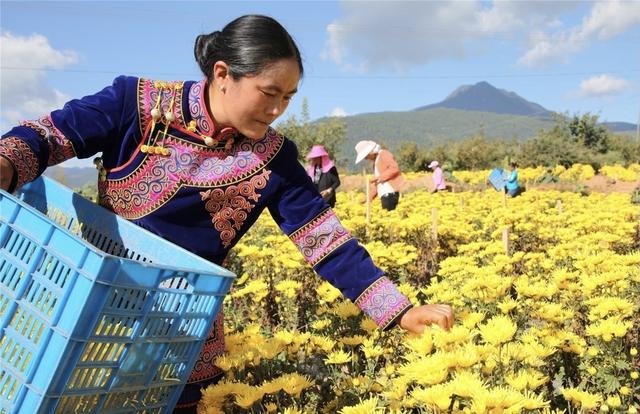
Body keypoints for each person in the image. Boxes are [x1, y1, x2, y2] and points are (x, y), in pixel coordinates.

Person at [0, 15, 454, 413]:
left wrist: (399, 313)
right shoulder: (136, 104)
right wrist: (7, 162)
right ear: (223, 74)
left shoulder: (274, 157)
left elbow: (327, 241)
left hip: (187, 326)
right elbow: (52, 134)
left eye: (289, 98)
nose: (277, 110)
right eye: (269, 93)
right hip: (99, 307)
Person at [354, 140, 405, 211]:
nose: (366, 159)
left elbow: (394, 168)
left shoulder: (384, 154)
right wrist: (368, 198)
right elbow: (377, 184)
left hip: (391, 194)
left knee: (390, 216)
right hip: (385, 195)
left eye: (366, 156)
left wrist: (378, 178)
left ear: (370, 152)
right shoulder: (376, 162)